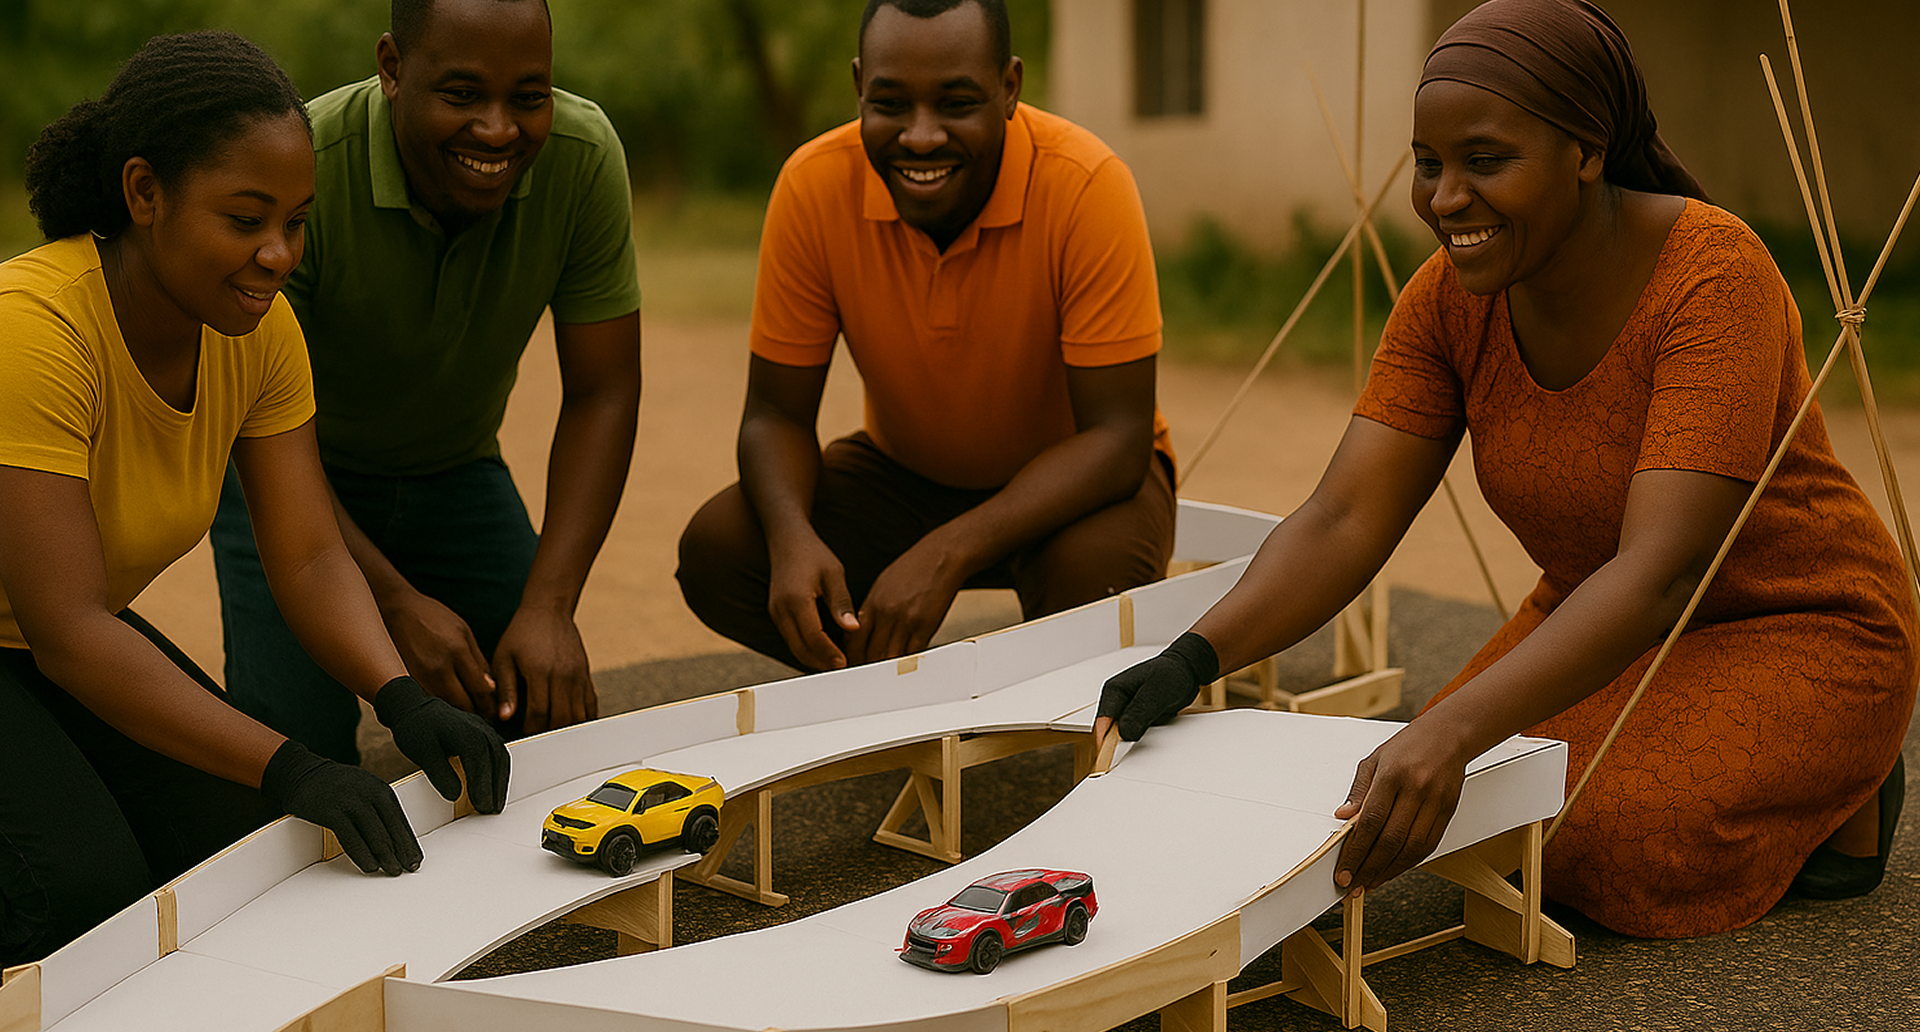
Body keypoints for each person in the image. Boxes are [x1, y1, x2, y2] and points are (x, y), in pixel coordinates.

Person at [1096, 0, 1914, 939]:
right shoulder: (1448, 299)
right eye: (1430, 164)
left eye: (1486, 163)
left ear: (1587, 150)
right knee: (1441, 811)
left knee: (1592, 842)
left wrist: (1449, 729)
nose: (1447, 198)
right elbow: (1342, 519)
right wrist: (1189, 661)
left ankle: (1851, 774)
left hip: (1793, 621)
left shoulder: (1715, 276)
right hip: (1594, 615)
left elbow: (1660, 574)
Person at [0, 31, 510, 967]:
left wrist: (400, 701)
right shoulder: (33, 330)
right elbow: (71, 631)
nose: (277, 255)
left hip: (39, 640)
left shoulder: (258, 331)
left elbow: (311, 555)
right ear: (144, 194)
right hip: (51, 635)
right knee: (74, 896)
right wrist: (292, 761)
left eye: (297, 222)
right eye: (245, 219)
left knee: (243, 849)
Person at [676, 0, 1175, 672]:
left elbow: (1118, 439)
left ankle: (1018, 697)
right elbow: (774, 415)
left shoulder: (1086, 185)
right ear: (858, 86)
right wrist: (793, 538)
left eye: (955, 103)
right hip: (906, 473)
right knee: (722, 549)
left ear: (1009, 88)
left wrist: (948, 551)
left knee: (1098, 583)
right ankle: (906, 694)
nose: (920, 137)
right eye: (890, 103)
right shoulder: (812, 186)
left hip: (1074, 484)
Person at [209, 0, 643, 764]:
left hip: (455, 473)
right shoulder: (306, 169)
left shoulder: (583, 156)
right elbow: (259, 429)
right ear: (392, 68)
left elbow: (602, 392)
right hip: (289, 483)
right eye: (463, 94)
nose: (500, 129)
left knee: (545, 728)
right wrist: (395, 603)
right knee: (296, 771)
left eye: (529, 97)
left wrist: (549, 605)